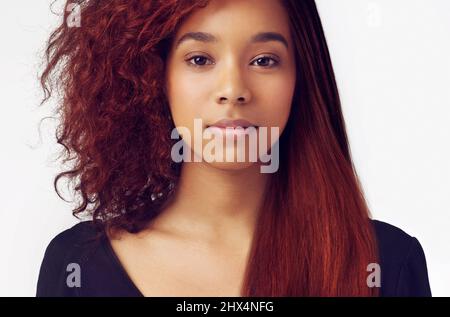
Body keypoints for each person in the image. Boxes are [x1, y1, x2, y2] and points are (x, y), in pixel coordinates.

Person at [36, 0, 432, 297]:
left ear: (301, 78)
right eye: (200, 58)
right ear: (153, 78)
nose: (233, 90)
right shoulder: (77, 267)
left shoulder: (385, 262)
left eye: (263, 60)